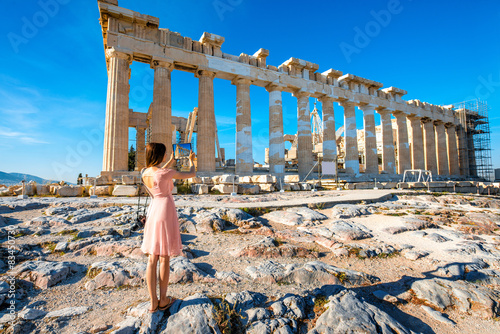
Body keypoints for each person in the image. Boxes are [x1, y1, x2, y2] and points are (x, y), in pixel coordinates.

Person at [140, 142, 196, 313]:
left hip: (153, 210)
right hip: (165, 211)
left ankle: (152, 302)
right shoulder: (167, 173)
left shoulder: (145, 173)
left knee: (152, 258)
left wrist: (171, 161)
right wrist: (193, 160)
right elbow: (191, 174)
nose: (166, 156)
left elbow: (158, 175)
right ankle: (163, 299)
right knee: (164, 257)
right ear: (159, 155)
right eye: (164, 154)